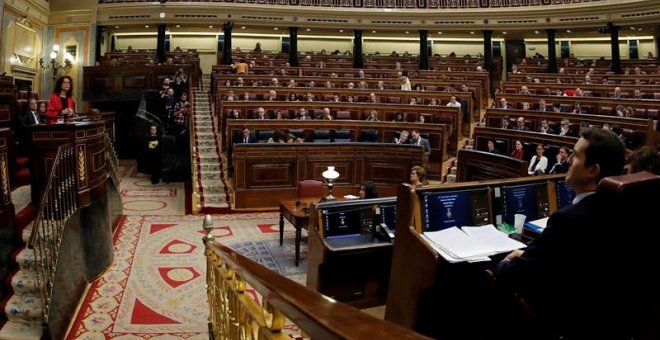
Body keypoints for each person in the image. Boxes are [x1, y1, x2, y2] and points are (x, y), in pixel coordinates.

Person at [494, 127, 627, 339]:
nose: (568, 160)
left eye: (575, 156)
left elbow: (517, 276)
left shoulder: (568, 220)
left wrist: (506, 262)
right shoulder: (622, 209)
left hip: (563, 321)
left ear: (593, 170)